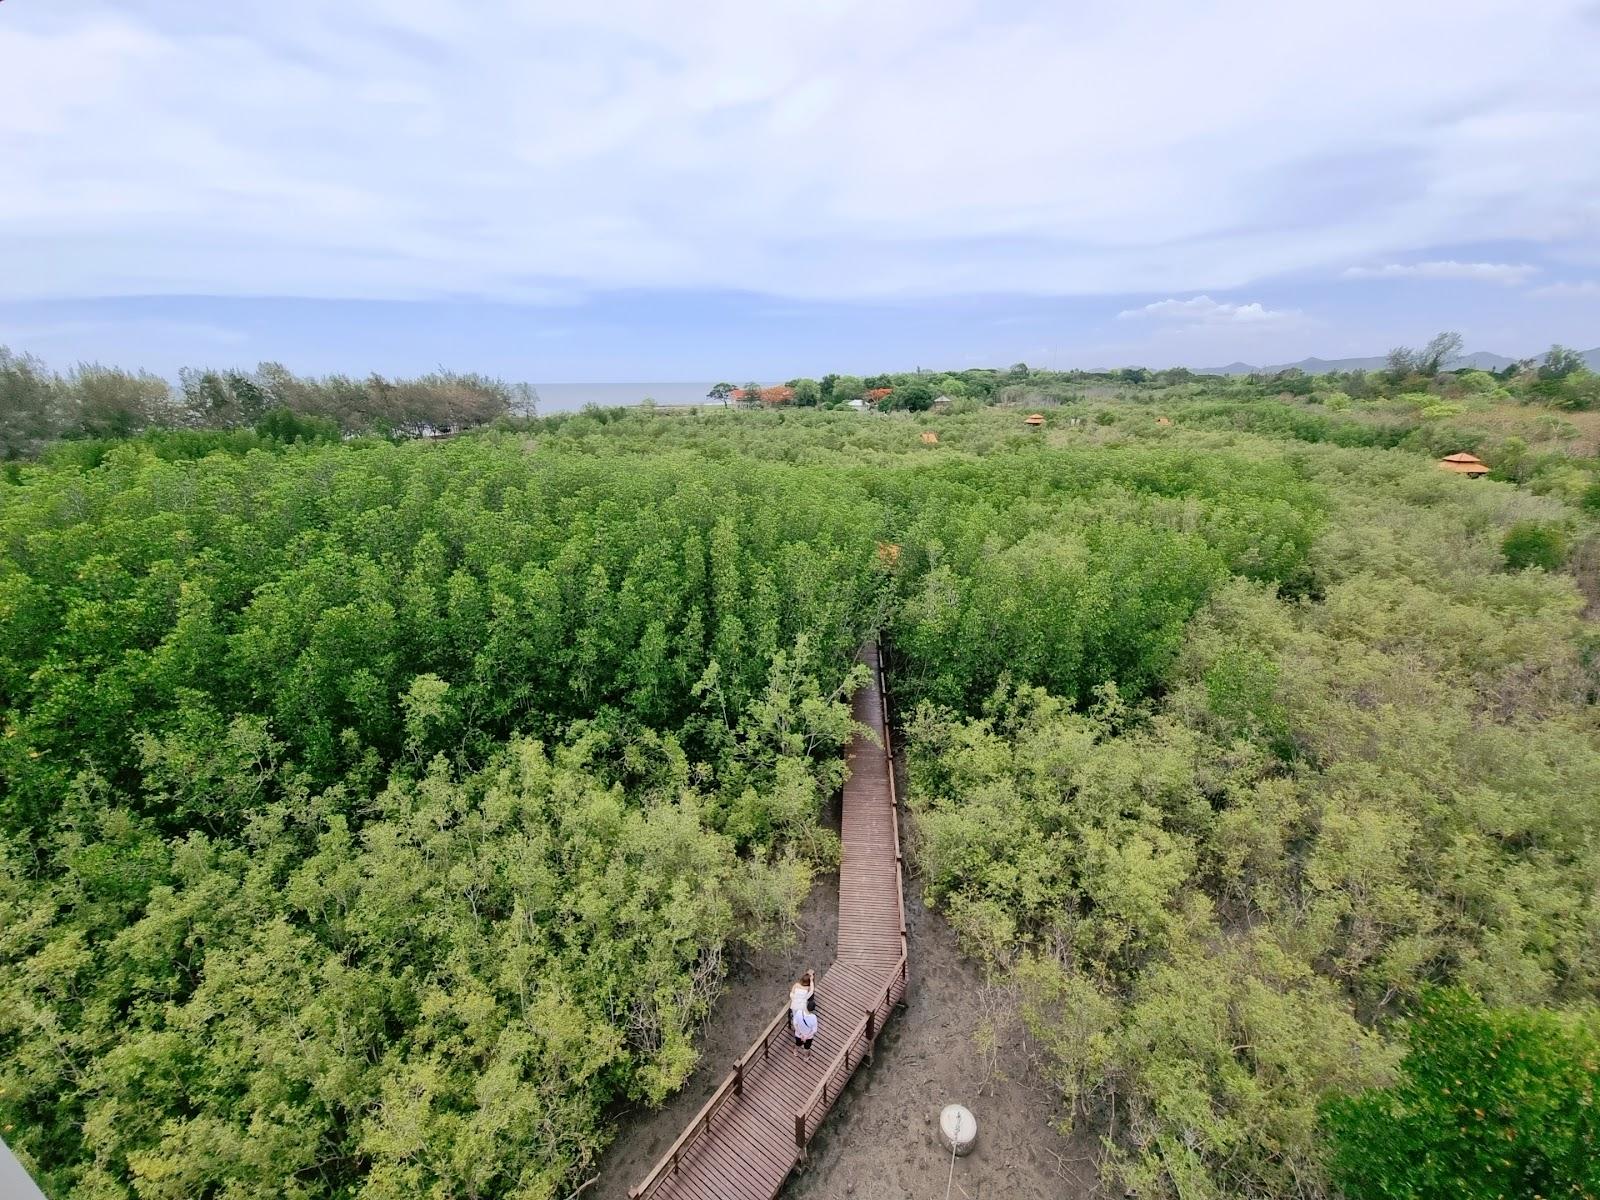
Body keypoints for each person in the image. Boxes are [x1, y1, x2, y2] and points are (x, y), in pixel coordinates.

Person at [790, 971, 817, 1059]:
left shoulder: (796, 985)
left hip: (794, 1005)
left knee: (796, 1020)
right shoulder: (808, 989)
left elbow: (791, 994)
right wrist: (812, 980)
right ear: (808, 982)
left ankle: (797, 1032)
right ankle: (802, 1033)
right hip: (801, 1007)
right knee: (803, 1018)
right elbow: (812, 990)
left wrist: (795, 999)